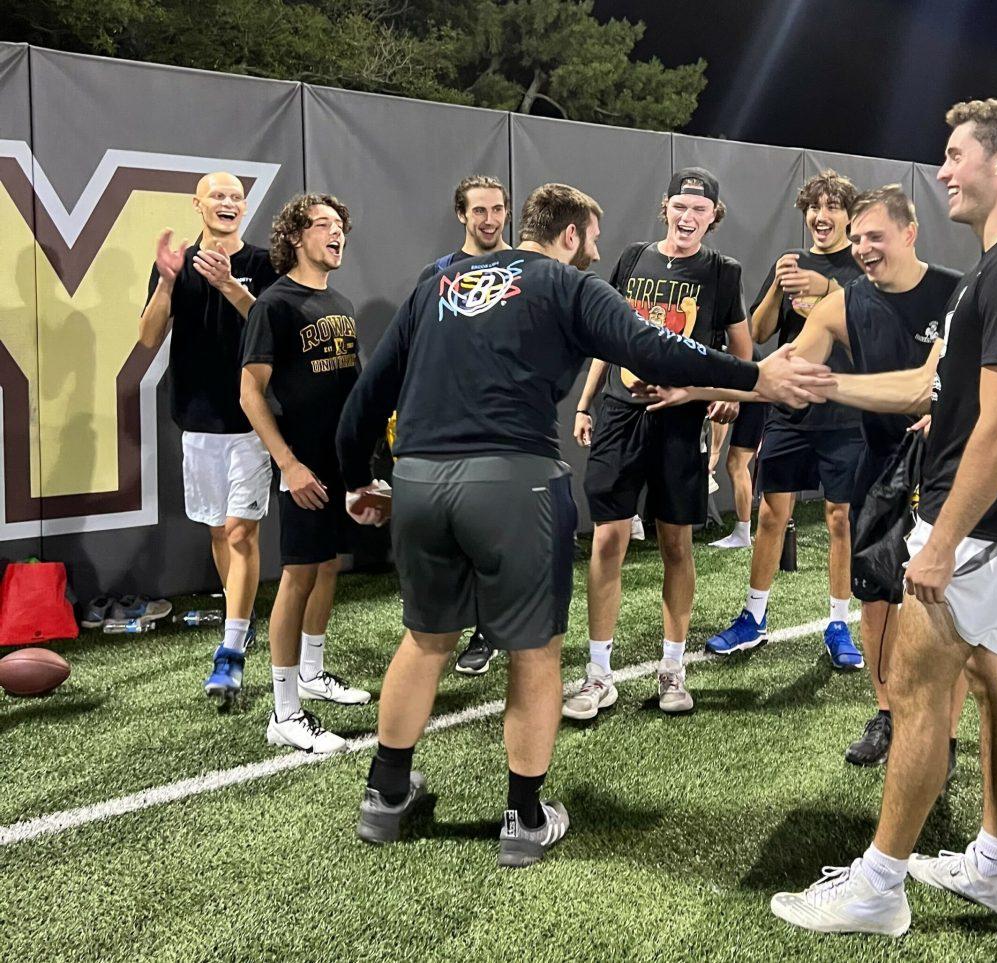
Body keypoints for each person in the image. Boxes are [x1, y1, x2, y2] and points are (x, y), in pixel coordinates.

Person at [334, 182, 837, 867]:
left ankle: (385, 795)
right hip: (512, 482)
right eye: (592, 239)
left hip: (420, 479)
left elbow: (372, 387)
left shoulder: (438, 280)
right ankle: (524, 816)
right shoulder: (571, 285)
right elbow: (656, 349)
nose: (596, 251)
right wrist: (755, 378)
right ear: (570, 235)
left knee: (424, 638)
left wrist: (357, 475)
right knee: (535, 651)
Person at [769, 97, 997, 937]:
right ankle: (994, 866)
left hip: (975, 525)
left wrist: (940, 540)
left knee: (911, 689)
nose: (942, 169)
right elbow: (935, 393)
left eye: (954, 154)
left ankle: (878, 887)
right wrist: (803, 382)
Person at [647, 185, 970, 770]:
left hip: (946, 471)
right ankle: (889, 713)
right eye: (862, 239)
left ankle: (943, 740)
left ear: (909, 233)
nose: (866, 248)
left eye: (876, 236)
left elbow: (927, 386)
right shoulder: (844, 305)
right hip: (879, 467)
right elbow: (774, 372)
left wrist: (837, 388)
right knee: (877, 599)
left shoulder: (955, 293)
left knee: (942, 611)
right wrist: (696, 387)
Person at [566, 168, 752, 719]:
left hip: (681, 421)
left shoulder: (723, 273)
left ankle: (673, 668)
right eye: (679, 206)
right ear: (665, 208)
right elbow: (609, 335)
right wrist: (584, 401)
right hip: (621, 414)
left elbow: (744, 357)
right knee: (607, 540)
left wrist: (728, 396)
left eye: (699, 209)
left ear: (713, 216)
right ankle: (598, 674)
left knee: (676, 544)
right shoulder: (631, 258)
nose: (688, 216)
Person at [705, 170, 866, 667]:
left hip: (845, 414)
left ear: (848, 215)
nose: (821, 216)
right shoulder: (791, 263)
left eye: (832, 207)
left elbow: (866, 326)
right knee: (773, 514)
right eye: (813, 208)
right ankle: (754, 618)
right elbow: (757, 331)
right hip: (790, 412)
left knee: (841, 518)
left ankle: (839, 623)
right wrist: (777, 283)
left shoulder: (862, 266)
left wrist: (828, 285)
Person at [137, 172, 278, 706]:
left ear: (244, 208)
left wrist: (229, 285)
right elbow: (149, 337)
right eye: (217, 196)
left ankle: (232, 650)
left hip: (252, 420)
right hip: (197, 420)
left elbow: (270, 325)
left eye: (236, 198)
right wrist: (169, 283)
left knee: (242, 534)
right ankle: (237, 623)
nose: (227, 203)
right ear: (198, 205)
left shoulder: (263, 264)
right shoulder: (176, 265)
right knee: (220, 534)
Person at [240, 193, 372, 754]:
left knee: (326, 566)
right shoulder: (275, 304)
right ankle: (285, 712)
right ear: (295, 236)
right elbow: (250, 394)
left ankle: (313, 674)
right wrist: (289, 465)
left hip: (339, 465)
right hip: (303, 466)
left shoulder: (339, 301)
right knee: (296, 576)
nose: (336, 235)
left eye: (340, 226)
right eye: (323, 226)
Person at [418, 174, 514, 674]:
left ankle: (491, 630)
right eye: (480, 210)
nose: (490, 219)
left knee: (495, 536)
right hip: (450, 427)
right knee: (456, 537)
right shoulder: (436, 275)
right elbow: (420, 351)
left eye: (498, 209)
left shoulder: (524, 271)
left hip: (505, 427)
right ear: (462, 214)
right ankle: (452, 627)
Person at [709, 348, 768, 550]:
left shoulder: (715, 353)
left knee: (736, 464)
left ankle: (743, 533)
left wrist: (714, 454)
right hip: (750, 384)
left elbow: (720, 412)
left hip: (756, 392)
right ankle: (744, 531)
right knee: (735, 464)